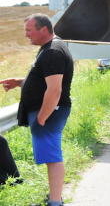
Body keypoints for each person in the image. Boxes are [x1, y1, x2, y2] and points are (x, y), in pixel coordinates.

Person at [1, 13, 74, 206]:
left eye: (28, 30)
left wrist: (42, 117)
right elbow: (45, 81)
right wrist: (19, 83)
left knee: (52, 157)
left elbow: (55, 89)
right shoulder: (50, 48)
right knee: (51, 157)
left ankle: (55, 203)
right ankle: (54, 198)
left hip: (49, 112)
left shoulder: (53, 51)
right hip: (49, 111)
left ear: (43, 29)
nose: (26, 35)